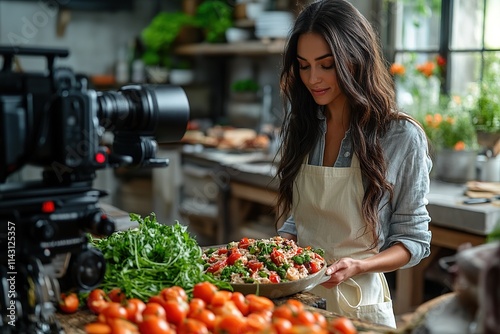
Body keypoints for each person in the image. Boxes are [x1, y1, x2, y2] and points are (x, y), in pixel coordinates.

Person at [276, 0, 432, 328]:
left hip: (360, 307)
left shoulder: (401, 136)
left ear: (355, 59)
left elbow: (413, 241)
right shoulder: (305, 127)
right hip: (299, 303)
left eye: (327, 64)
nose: (313, 78)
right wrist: (279, 247)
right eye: (304, 66)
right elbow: (303, 217)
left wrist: (359, 266)